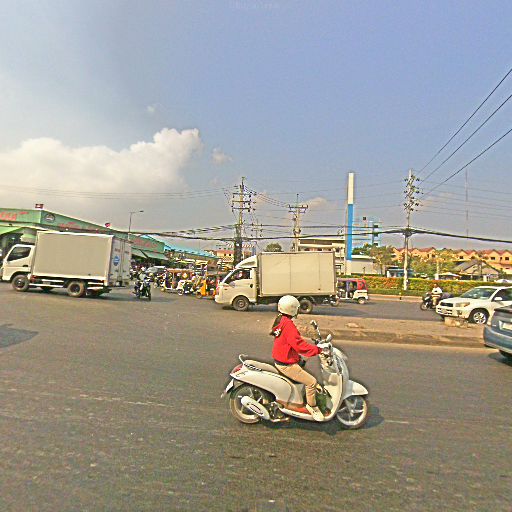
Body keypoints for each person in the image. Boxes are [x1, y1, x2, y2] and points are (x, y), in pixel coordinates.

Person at [270, 295, 326, 421]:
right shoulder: (288, 325)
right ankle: (312, 408)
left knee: (304, 360)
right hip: (286, 363)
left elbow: (292, 341)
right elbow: (299, 345)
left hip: (283, 356)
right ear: (292, 309)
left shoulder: (280, 319)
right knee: (311, 382)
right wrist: (318, 350)